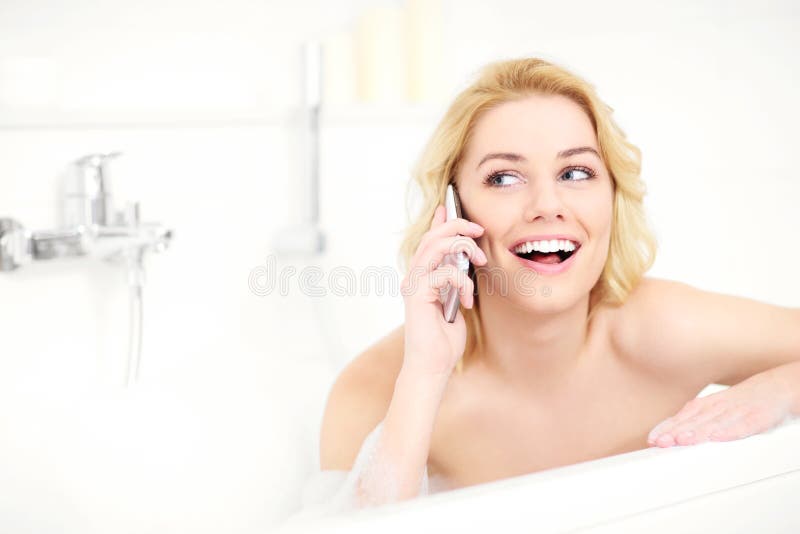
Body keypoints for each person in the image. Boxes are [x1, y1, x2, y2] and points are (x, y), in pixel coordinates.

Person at [304, 57, 800, 520]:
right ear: (453, 211)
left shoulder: (664, 329)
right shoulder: (373, 392)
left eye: (576, 172)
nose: (547, 204)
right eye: (503, 178)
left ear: (612, 196)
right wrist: (423, 376)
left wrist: (778, 389)